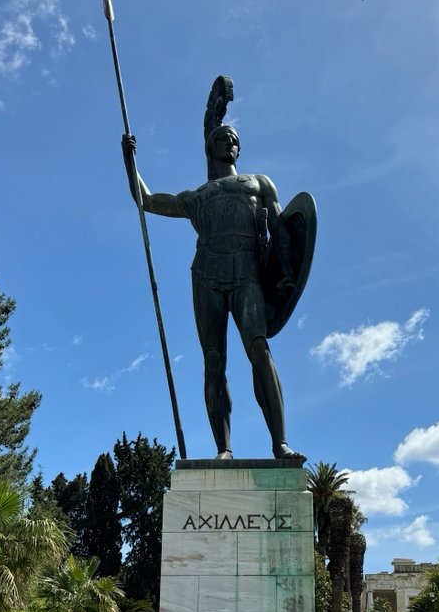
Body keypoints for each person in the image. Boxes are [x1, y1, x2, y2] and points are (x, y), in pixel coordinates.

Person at [123, 123, 304, 462]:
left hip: (247, 273)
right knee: (213, 360)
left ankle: (280, 442)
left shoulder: (258, 183)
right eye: (222, 139)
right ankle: (224, 449)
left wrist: (285, 275)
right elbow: (146, 201)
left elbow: (280, 230)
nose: (229, 143)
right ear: (210, 147)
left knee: (259, 349)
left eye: (235, 140)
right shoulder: (196, 197)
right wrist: (129, 161)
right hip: (206, 275)